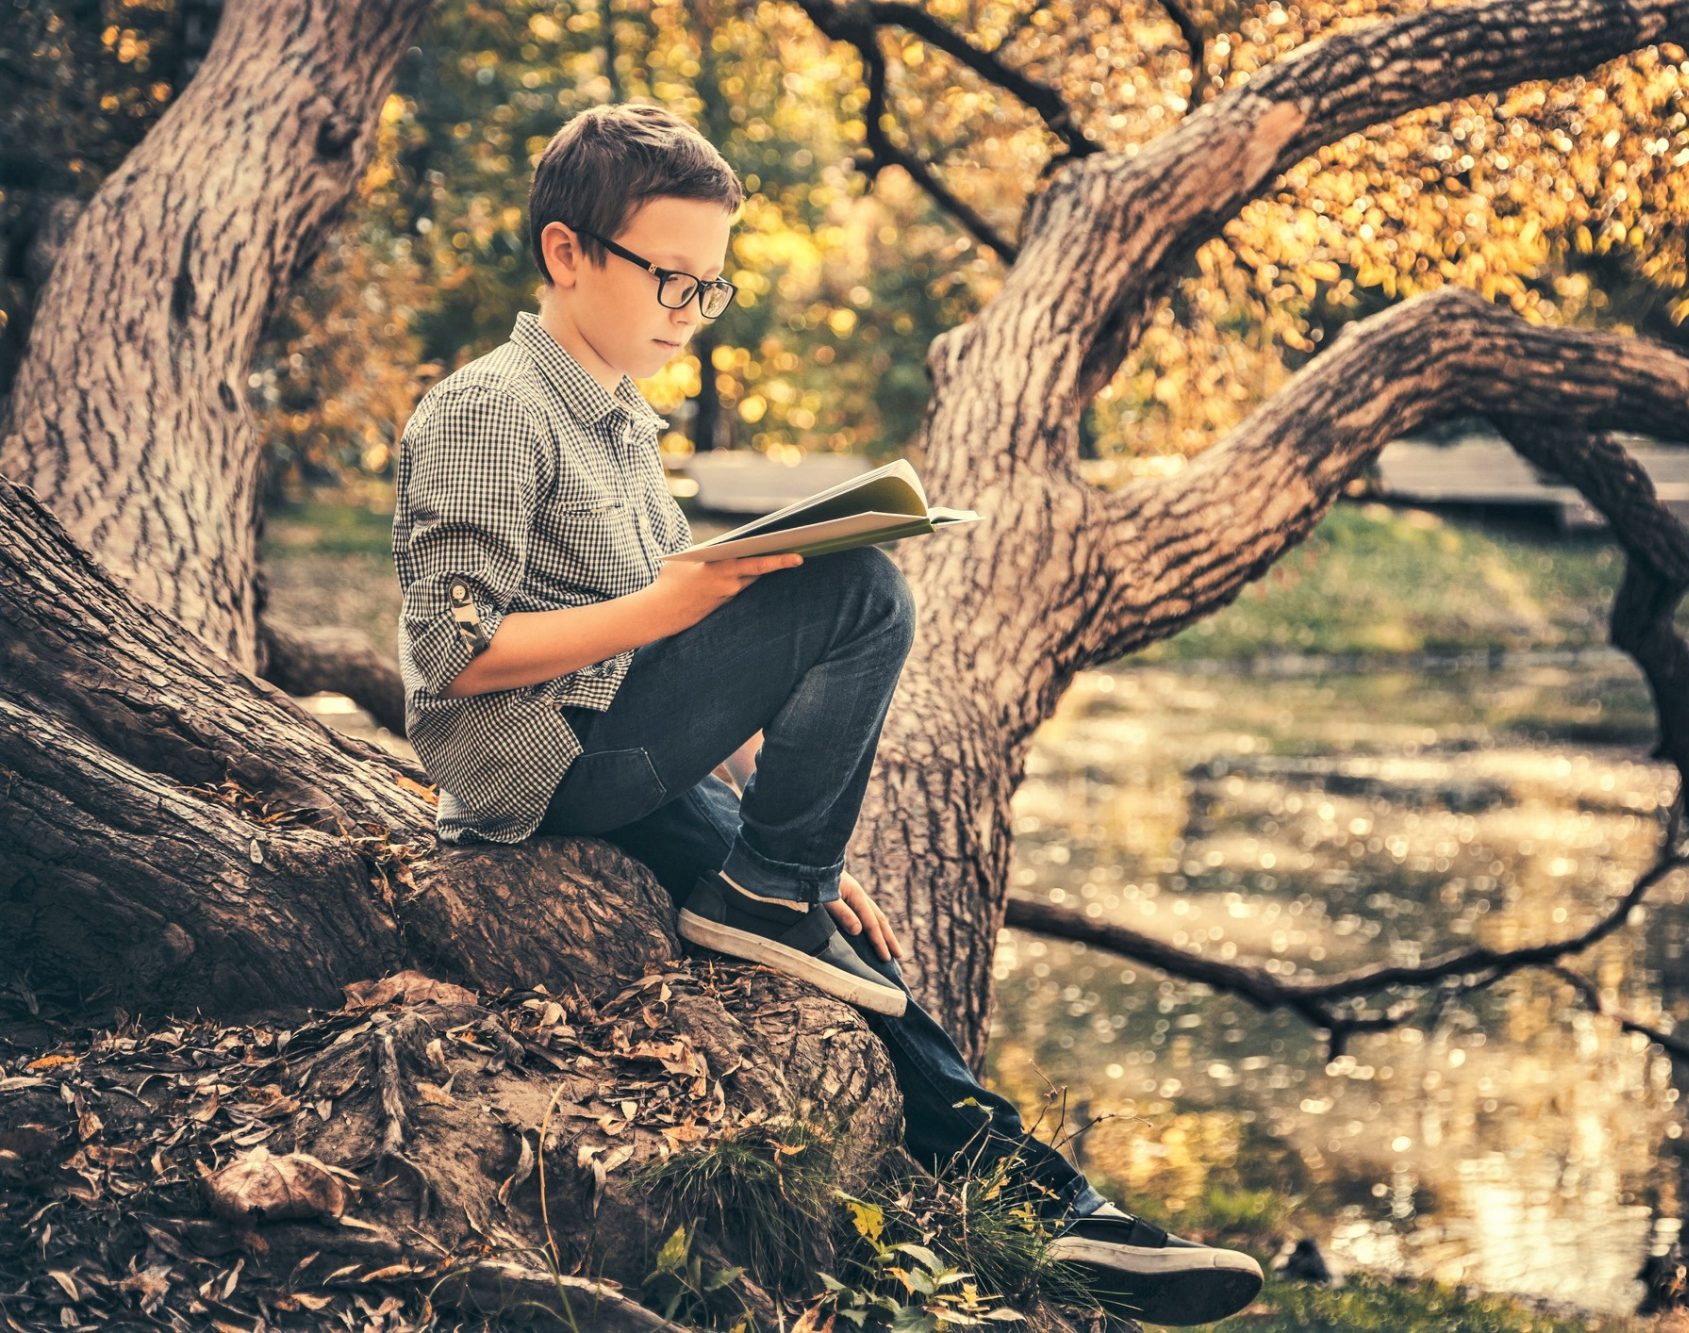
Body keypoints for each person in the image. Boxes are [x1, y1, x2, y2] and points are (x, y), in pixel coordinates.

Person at [391, 99, 1264, 1325]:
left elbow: (684, 663)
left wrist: (790, 841)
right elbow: (452, 654)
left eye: (711, 285)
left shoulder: (619, 418)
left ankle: (1055, 1213)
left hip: (616, 749)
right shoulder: (492, 407)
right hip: (541, 765)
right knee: (858, 584)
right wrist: (674, 599)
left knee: (859, 969)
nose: (690, 310)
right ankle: (767, 899)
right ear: (567, 253)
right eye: (668, 278)